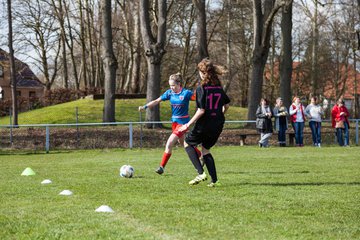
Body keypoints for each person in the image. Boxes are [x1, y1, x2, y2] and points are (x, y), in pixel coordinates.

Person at [179, 58, 230, 187]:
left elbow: (201, 110)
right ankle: (215, 181)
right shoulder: (219, 87)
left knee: (187, 143)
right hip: (218, 124)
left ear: (203, 73)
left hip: (204, 124)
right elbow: (227, 105)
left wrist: (187, 124)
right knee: (206, 150)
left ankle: (200, 173)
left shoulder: (202, 88)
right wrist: (219, 115)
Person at [139, 73, 201, 174]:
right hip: (175, 123)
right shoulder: (169, 93)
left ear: (179, 84)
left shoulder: (186, 93)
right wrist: (145, 107)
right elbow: (156, 101)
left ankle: (161, 167)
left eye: (173, 85)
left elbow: (198, 98)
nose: (171, 87)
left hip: (183, 123)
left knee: (169, 143)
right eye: (170, 85)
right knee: (184, 144)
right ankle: (200, 156)